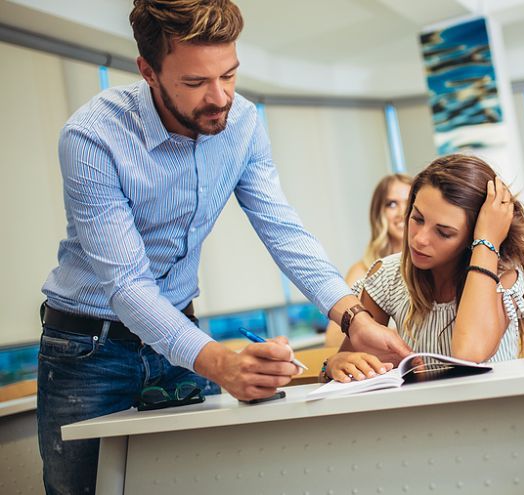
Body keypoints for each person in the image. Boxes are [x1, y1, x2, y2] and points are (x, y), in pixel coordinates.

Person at [37, 1, 410, 493]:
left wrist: (352, 318)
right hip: (88, 350)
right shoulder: (92, 138)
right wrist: (220, 362)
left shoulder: (244, 123)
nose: (220, 98)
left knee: (196, 482)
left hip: (180, 334)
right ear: (148, 71)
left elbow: (282, 228)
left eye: (229, 75)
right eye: (195, 83)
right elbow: (127, 285)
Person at [322, 154, 524, 382]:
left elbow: (469, 352)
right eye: (417, 218)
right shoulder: (388, 275)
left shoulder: (503, 275)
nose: (420, 239)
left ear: (473, 237)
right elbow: (350, 359)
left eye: (444, 232)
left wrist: (487, 241)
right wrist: (335, 364)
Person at [325, 174, 413, 347]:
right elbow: (332, 341)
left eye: (409, 202)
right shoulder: (361, 271)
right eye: (392, 204)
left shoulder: (434, 267)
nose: (402, 212)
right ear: (378, 213)